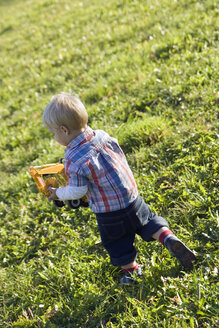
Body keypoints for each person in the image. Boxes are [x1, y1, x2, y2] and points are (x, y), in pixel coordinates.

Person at [42, 93, 196, 284]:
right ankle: (167, 237)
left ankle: (132, 272)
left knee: (117, 243)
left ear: (64, 130)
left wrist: (58, 193)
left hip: (110, 214)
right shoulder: (103, 136)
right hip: (132, 197)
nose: (54, 137)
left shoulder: (76, 160)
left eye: (53, 133)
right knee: (147, 222)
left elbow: (77, 191)